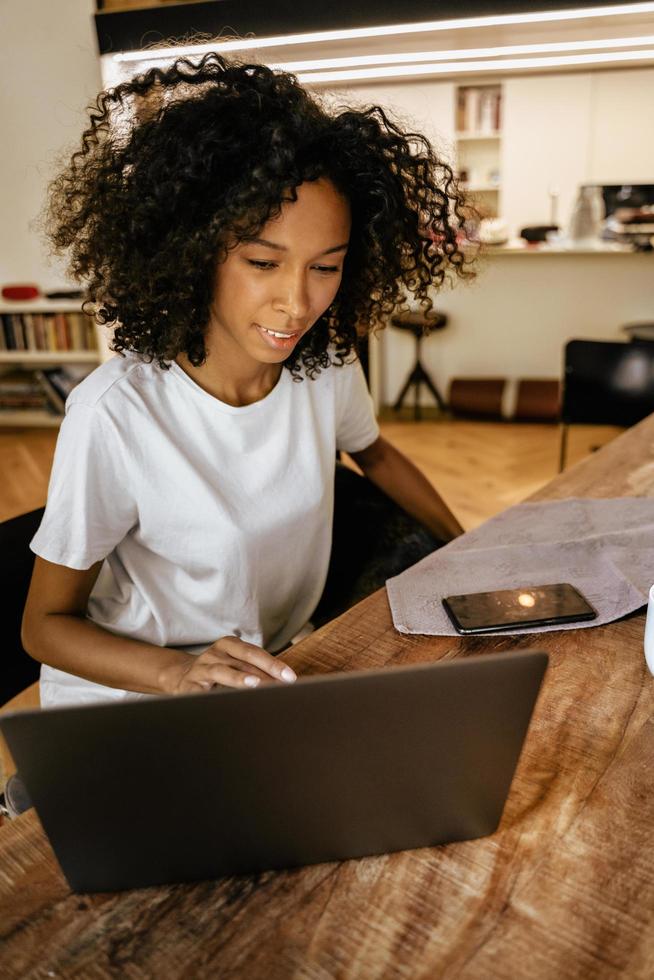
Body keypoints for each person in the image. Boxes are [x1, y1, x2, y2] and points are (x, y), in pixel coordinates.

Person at [22, 53, 473, 708]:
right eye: (263, 261)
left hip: (264, 681)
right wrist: (178, 674)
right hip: (133, 701)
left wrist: (467, 550)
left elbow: (373, 452)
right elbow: (44, 628)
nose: (297, 303)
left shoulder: (324, 365)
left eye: (326, 266)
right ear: (194, 250)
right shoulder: (115, 415)